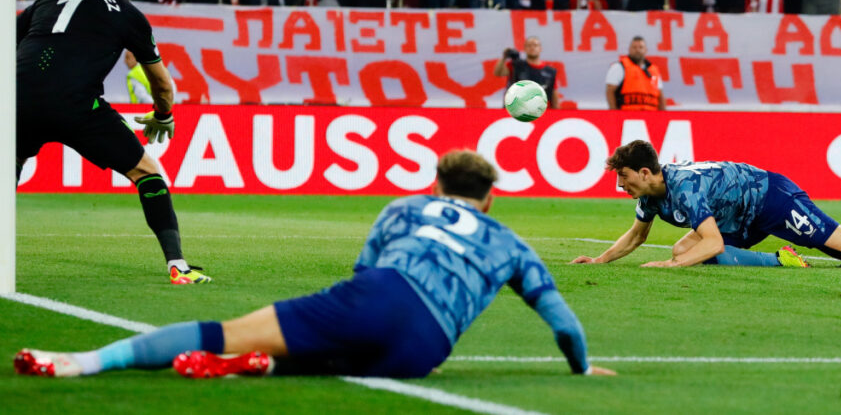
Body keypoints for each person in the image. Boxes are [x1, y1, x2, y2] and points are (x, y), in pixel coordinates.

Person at [15, 150, 614, 380]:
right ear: (490, 198)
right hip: (425, 354)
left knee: (225, 330)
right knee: (342, 357)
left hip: (382, 298)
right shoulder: (511, 242)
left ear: (435, 185)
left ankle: (81, 364)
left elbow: (363, 276)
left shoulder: (405, 210)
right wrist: (582, 372)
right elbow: (564, 324)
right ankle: (258, 366)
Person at [16, 0, 209, 285]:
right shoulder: (126, 12)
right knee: (148, 173)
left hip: (17, 99)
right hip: (77, 106)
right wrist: (163, 115)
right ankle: (178, 266)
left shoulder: (44, 1)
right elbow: (162, 84)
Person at [572, 140, 841, 270]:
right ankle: (781, 260)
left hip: (772, 199)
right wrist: (601, 261)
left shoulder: (685, 188)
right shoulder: (652, 195)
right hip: (743, 213)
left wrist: (667, 267)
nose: (620, 184)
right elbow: (636, 235)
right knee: (685, 248)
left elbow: (714, 242)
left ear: (646, 173)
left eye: (624, 177)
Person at [494, 36, 558, 108]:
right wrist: (504, 57)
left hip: (540, 110)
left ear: (540, 48)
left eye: (535, 45)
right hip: (518, 109)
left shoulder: (550, 72)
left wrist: (557, 112)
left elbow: (553, 93)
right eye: (529, 45)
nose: (532, 48)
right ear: (524, 49)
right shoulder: (516, 65)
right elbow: (498, 73)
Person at [605, 36, 665, 111]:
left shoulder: (653, 70)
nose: (637, 50)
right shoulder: (619, 67)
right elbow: (610, 91)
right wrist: (614, 113)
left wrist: (663, 114)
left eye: (640, 47)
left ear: (646, 50)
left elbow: (660, 95)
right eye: (634, 47)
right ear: (629, 49)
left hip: (651, 114)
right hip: (627, 114)